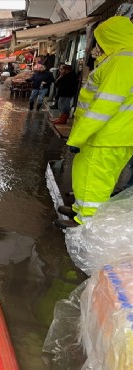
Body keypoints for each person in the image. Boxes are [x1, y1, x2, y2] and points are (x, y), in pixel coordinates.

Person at [54, 16, 133, 229]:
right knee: (84, 174)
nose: (96, 46)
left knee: (95, 180)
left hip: (108, 136)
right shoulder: (118, 58)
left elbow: (104, 106)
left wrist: (78, 136)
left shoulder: (123, 60)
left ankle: (86, 223)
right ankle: (80, 210)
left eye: (99, 40)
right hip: (104, 135)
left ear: (110, 36)